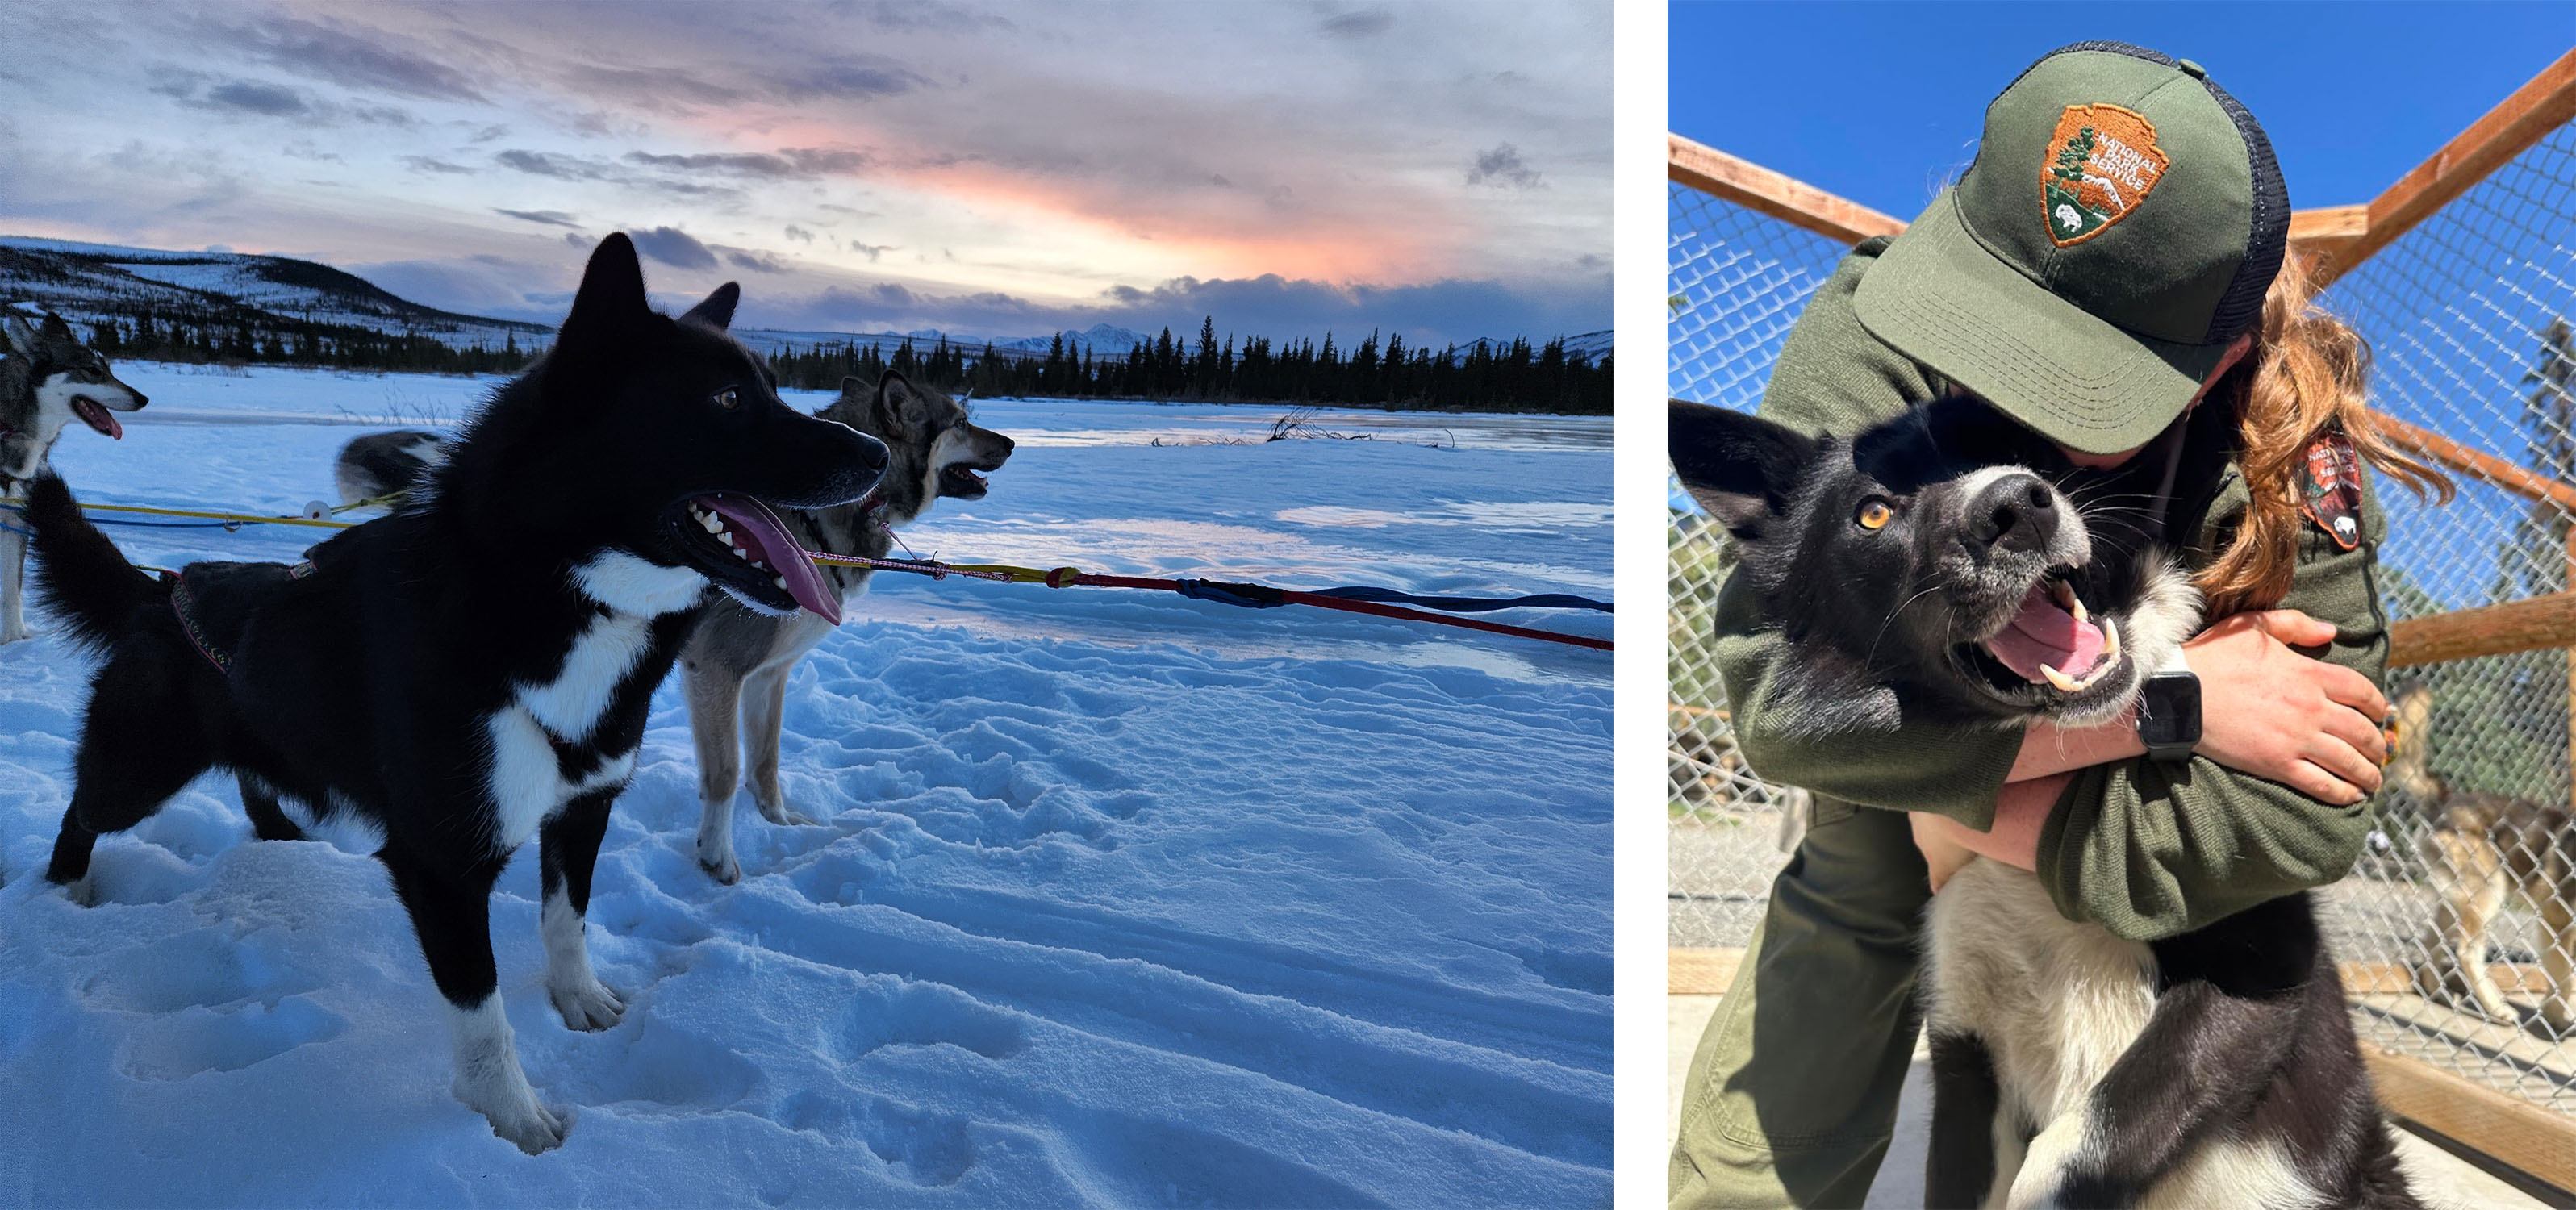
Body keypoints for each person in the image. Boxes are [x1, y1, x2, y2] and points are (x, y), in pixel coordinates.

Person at [1668, 41, 2450, 1208]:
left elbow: (2302, 825)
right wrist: (2167, 710)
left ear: (2215, 362)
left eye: (2074, 382)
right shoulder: (1876, 318)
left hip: (2144, 769)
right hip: (1985, 692)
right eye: (1991, 328)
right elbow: (1786, 702)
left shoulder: (2301, 460)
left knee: (2205, 910)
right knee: (1858, 860)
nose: (2015, 404)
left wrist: (1984, 816)